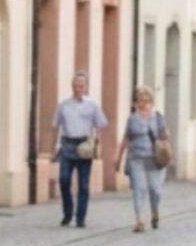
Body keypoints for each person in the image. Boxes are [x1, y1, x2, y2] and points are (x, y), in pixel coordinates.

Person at [50, 71, 108, 228]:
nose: (78, 88)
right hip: (67, 144)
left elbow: (99, 126)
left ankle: (80, 217)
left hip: (84, 146)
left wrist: (97, 145)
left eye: (81, 86)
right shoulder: (64, 105)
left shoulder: (92, 105)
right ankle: (68, 213)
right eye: (76, 85)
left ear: (86, 87)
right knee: (63, 180)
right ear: (72, 86)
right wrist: (53, 149)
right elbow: (56, 127)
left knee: (83, 185)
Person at [114, 86, 171, 233]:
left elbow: (165, 137)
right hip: (136, 158)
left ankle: (155, 212)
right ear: (136, 101)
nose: (144, 102)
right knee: (139, 189)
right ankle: (139, 220)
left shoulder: (157, 117)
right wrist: (118, 158)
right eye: (141, 99)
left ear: (151, 101)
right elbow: (126, 139)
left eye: (147, 99)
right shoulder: (132, 119)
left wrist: (169, 154)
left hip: (154, 159)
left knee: (155, 190)